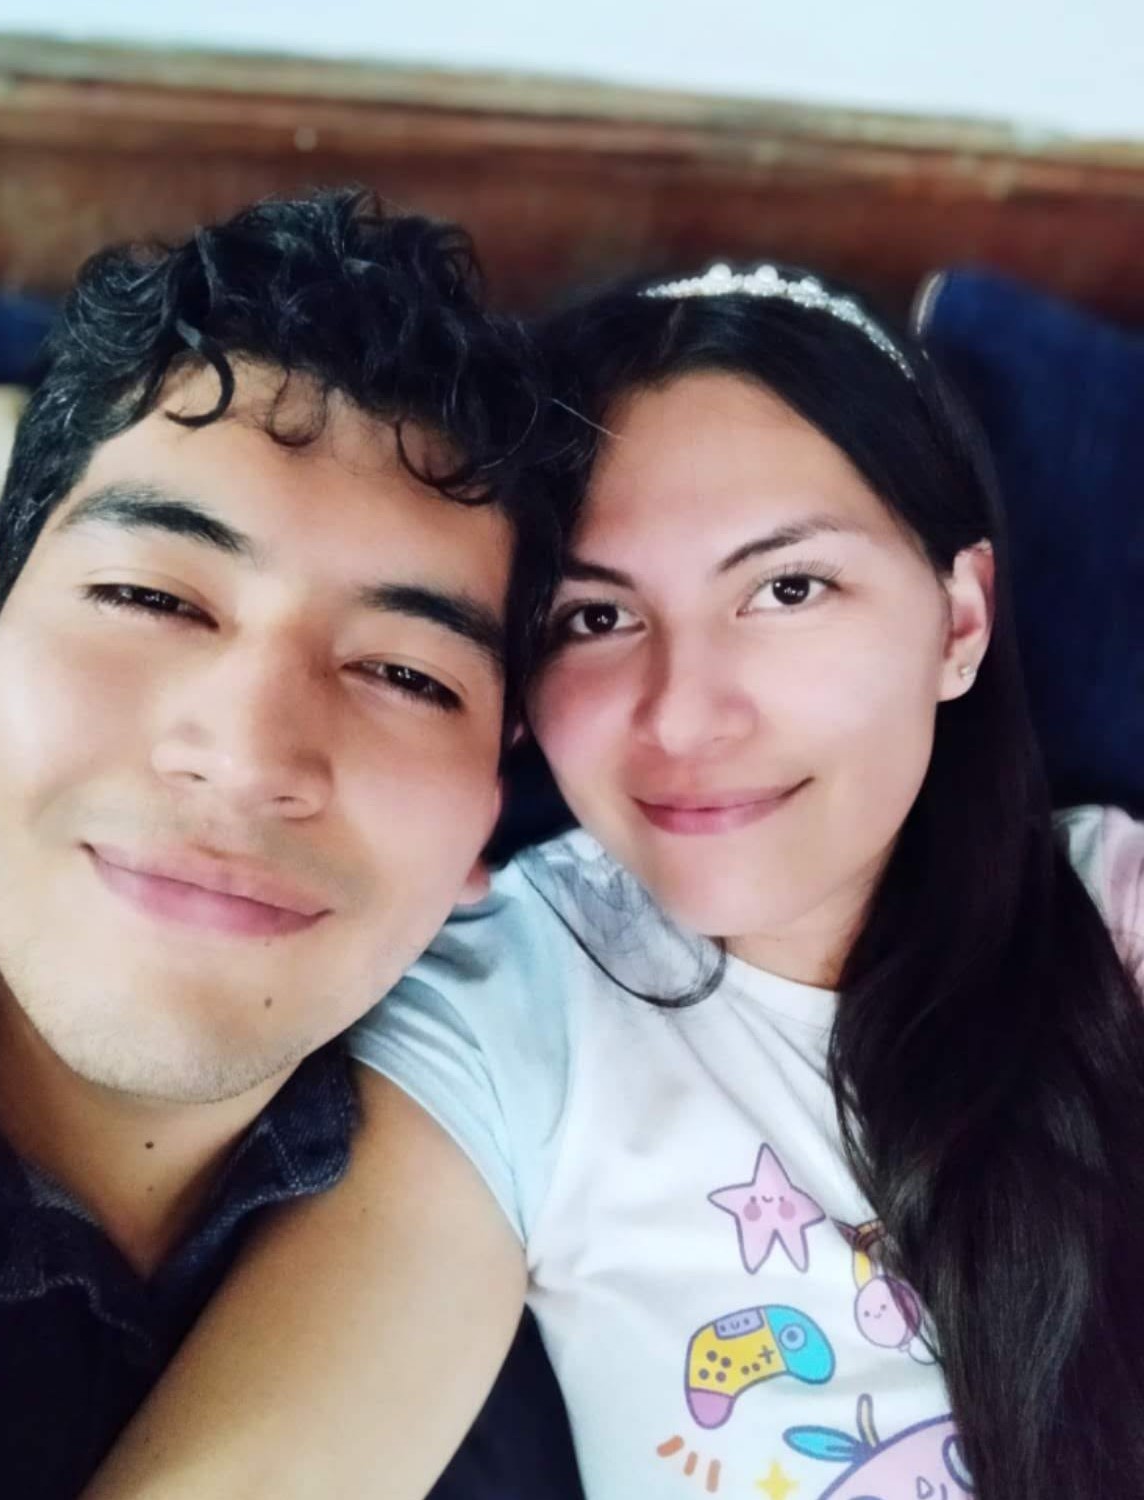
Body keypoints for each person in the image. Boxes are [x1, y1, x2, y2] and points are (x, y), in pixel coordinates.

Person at [81, 262, 1144, 1500]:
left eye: (787, 589)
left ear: (959, 622)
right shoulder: (505, 1014)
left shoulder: (1114, 912)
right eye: (594, 618)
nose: (684, 716)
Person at [0, 188, 584, 1500]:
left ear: (489, 808)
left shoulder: (566, 1294)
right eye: (149, 596)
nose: (246, 760)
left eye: (405, 674)